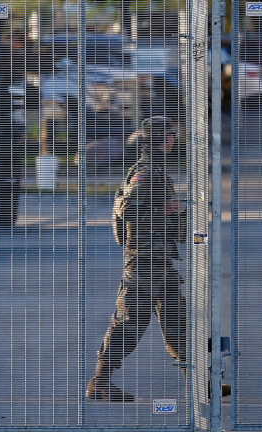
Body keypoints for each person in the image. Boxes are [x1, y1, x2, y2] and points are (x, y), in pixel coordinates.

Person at [86, 116, 187, 402]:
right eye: (168, 136)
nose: (172, 141)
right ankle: (100, 383)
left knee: (178, 323)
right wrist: (165, 213)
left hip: (160, 262)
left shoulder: (155, 170)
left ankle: (198, 384)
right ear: (157, 140)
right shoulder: (144, 172)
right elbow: (126, 210)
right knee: (129, 324)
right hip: (143, 262)